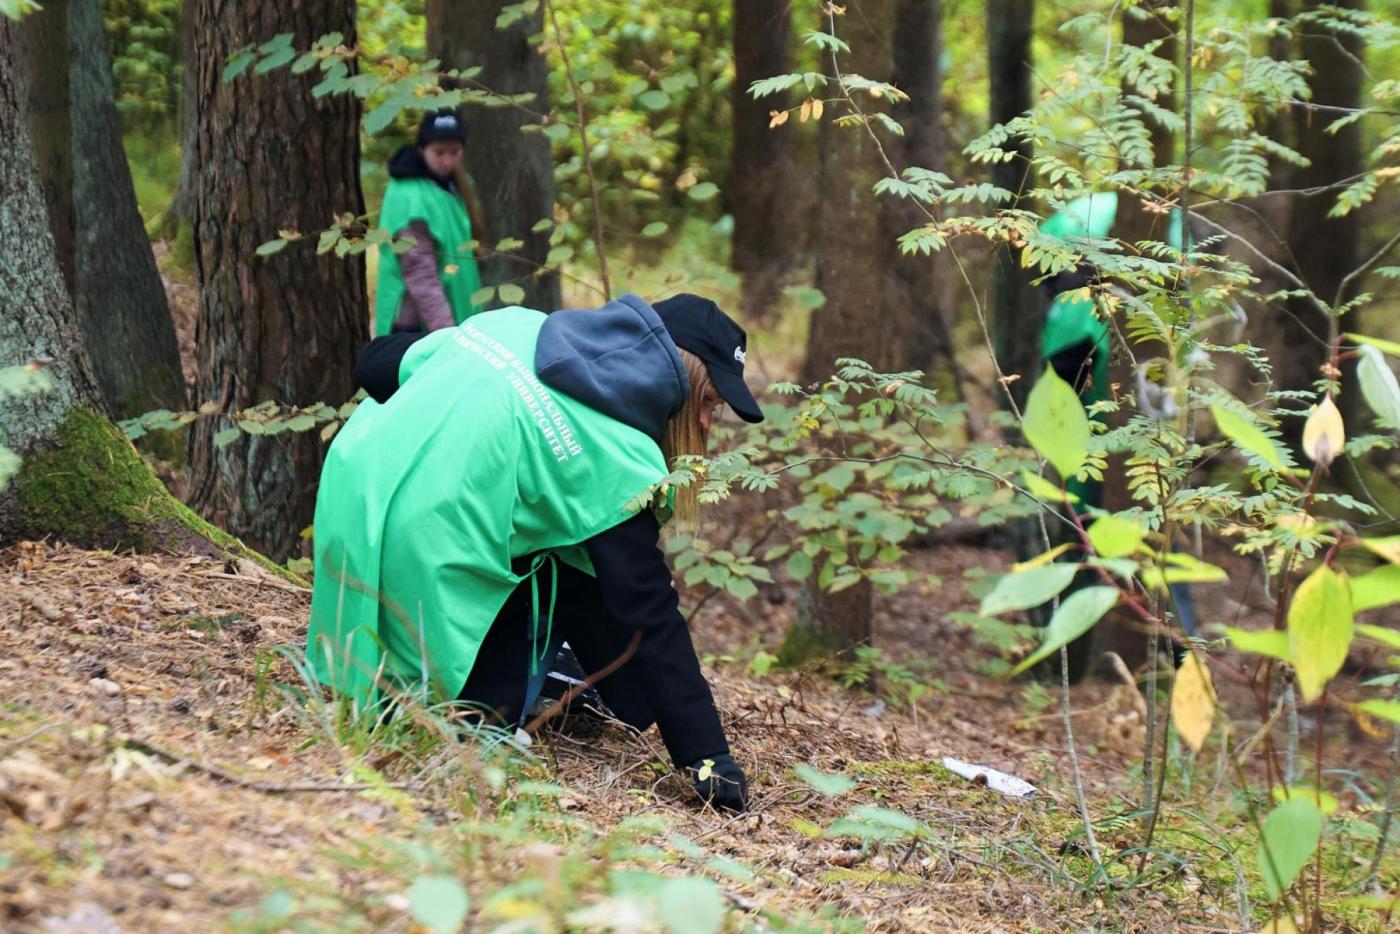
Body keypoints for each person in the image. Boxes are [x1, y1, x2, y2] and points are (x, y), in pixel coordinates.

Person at [305, 293, 765, 811]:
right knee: (588, 659)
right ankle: (510, 695)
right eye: (708, 403)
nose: (706, 425)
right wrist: (709, 760)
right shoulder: (615, 454)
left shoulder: (512, 328)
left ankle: (558, 677)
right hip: (422, 578)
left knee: (581, 561)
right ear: (679, 383)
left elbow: (374, 364)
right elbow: (650, 613)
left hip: (350, 516)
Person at [373, 108, 488, 336]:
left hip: (451, 314)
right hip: (418, 327)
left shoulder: (453, 187)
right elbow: (420, 274)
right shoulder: (410, 195)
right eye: (439, 152)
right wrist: (448, 335)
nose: (447, 160)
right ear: (422, 149)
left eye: (454, 152)